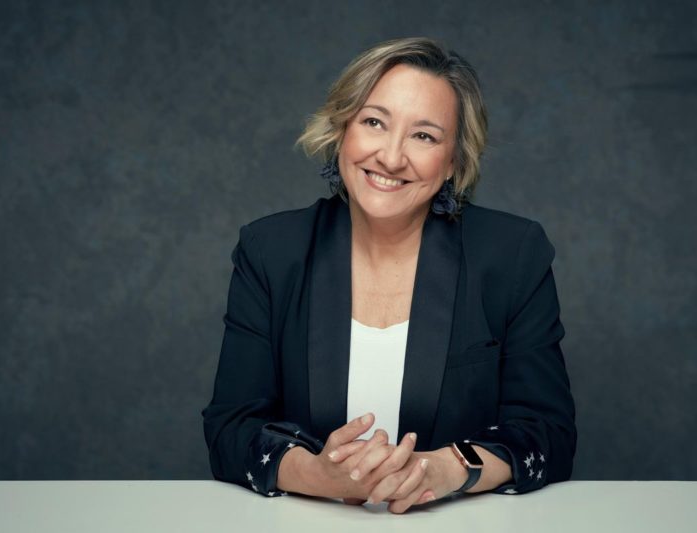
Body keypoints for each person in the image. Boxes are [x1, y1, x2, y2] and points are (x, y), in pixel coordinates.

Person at [201, 36, 576, 514]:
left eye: (424, 136)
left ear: (453, 162)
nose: (392, 157)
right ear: (342, 129)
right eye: (374, 122)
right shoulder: (271, 251)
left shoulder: (511, 254)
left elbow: (550, 433)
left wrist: (447, 468)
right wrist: (317, 474)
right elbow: (231, 428)